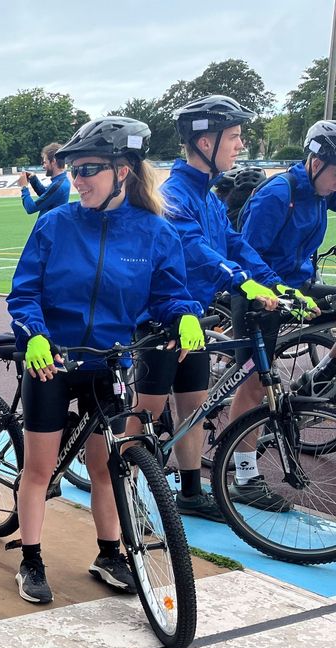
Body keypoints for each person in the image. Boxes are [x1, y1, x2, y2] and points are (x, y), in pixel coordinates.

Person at [6, 116, 205, 605]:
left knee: (107, 465)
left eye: (89, 168)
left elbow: (169, 294)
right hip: (52, 360)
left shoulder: (155, 233)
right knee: (39, 469)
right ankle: (30, 559)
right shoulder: (54, 224)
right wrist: (34, 335)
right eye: (73, 169)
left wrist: (185, 316)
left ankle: (109, 552)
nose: (77, 180)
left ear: (124, 170)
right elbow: (24, 294)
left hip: (109, 364)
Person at [129, 95, 281, 523]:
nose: (240, 144)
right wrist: (240, 280)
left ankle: (190, 492)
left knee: (193, 405)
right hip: (160, 319)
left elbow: (234, 244)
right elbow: (195, 250)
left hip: (192, 319)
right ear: (204, 141)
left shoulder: (209, 195)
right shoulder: (174, 193)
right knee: (146, 414)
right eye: (233, 136)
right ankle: (122, 492)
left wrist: (271, 281)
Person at [226, 120, 336, 509]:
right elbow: (246, 255)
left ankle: (318, 376)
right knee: (256, 382)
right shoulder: (278, 195)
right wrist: (277, 290)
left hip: (297, 288)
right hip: (261, 293)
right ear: (316, 162)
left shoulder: (322, 192)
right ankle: (242, 476)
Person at [17, 142, 71, 218]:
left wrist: (24, 187)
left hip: (49, 228)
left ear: (53, 161)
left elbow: (30, 208)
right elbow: (46, 195)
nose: (43, 166)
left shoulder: (58, 185)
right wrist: (33, 179)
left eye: (45, 162)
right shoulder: (61, 182)